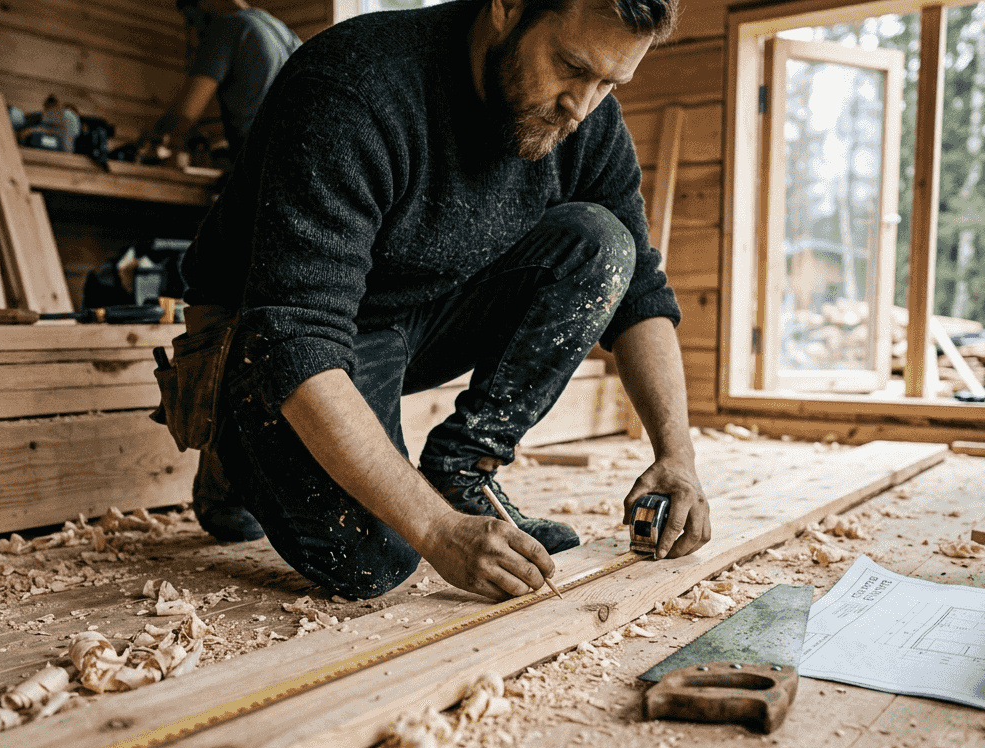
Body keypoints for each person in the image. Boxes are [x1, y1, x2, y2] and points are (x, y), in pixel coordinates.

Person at [165, 0, 712, 601]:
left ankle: (460, 473)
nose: (581, 107)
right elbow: (297, 339)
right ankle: (232, 440)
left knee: (601, 243)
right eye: (570, 67)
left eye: (610, 82)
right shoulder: (353, 86)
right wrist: (436, 530)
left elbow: (641, 297)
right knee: (375, 558)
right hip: (272, 336)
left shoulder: (587, 122)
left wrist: (676, 455)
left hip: (410, 307)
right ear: (505, 8)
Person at [143, 0, 299, 542]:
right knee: (274, 336)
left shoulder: (229, 29)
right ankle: (250, 497)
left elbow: (185, 111)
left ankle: (224, 500)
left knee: (220, 335)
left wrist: (159, 141)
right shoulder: (282, 32)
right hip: (303, 196)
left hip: (256, 193)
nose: (191, 27)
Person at [140, 0, 301, 164]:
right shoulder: (282, 31)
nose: (195, 31)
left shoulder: (226, 26)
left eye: (192, 20)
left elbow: (185, 114)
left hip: (257, 161)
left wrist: (150, 138)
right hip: (293, 157)